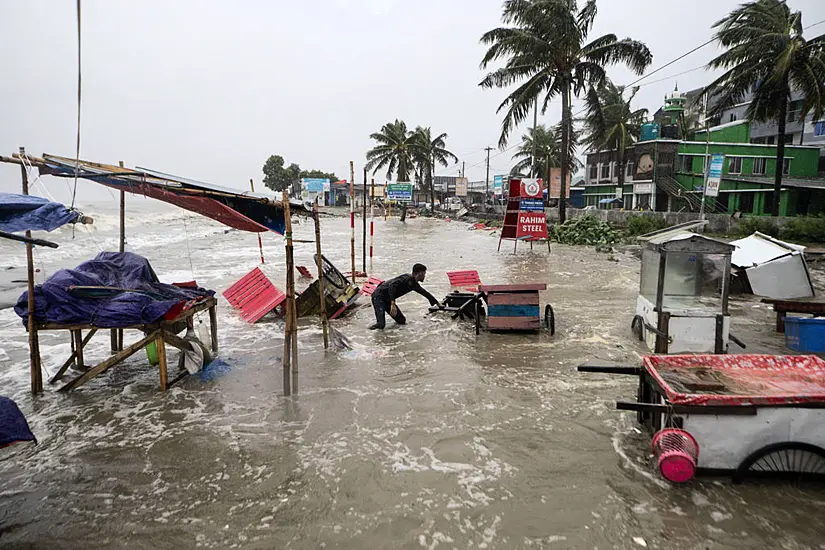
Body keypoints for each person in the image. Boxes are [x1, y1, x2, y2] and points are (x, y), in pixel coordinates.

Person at [369, 263, 439, 330]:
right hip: (378, 296)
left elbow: (425, 293)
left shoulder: (414, 284)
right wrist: (393, 304)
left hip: (388, 299)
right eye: (423, 273)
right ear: (418, 273)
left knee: (401, 321)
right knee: (381, 325)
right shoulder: (405, 278)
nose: (424, 276)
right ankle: (366, 331)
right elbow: (391, 286)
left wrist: (438, 304)